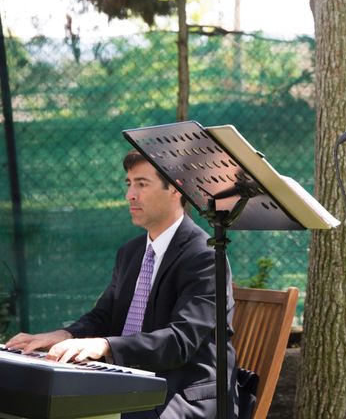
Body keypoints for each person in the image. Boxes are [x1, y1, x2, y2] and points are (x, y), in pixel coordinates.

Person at [7, 149, 238, 418]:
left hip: (182, 395)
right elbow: (103, 315)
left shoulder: (205, 257)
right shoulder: (131, 252)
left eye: (142, 184)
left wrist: (105, 346)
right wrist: (65, 335)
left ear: (176, 189)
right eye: (129, 184)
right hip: (129, 383)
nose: (130, 195)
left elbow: (180, 341)